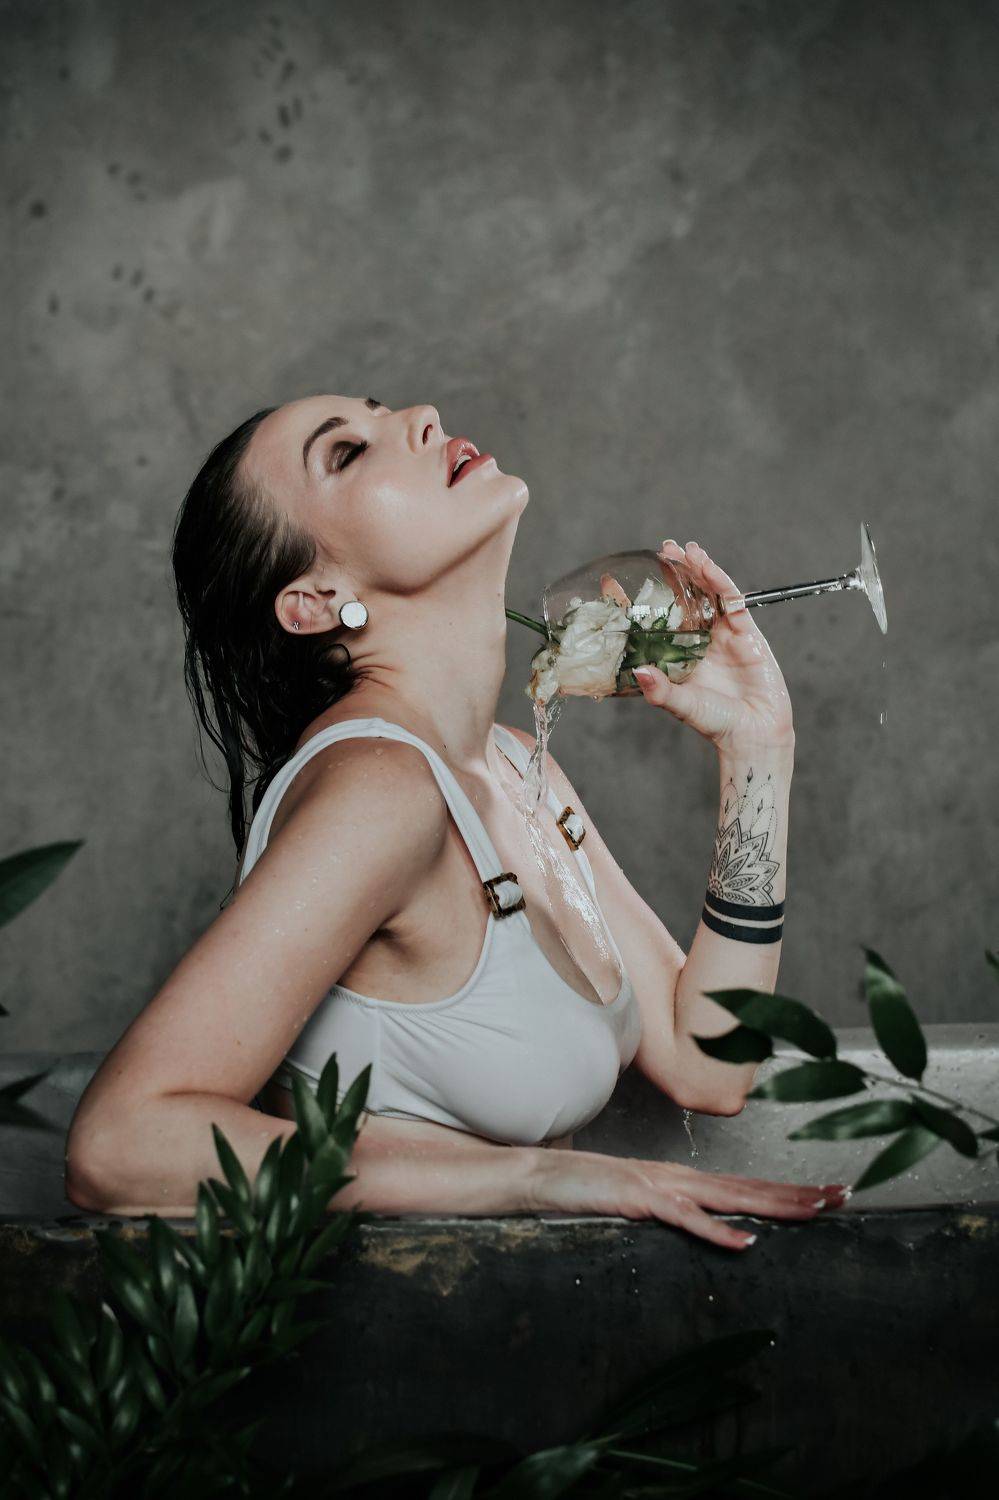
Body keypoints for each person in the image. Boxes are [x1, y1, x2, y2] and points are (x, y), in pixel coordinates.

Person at [64, 396, 846, 1248]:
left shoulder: (513, 765)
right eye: (346, 452)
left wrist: (757, 751)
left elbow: (709, 1061)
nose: (422, 415)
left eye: (380, 409)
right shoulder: (379, 789)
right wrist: (530, 1178)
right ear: (317, 599)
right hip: (394, 1323)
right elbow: (118, 1145)